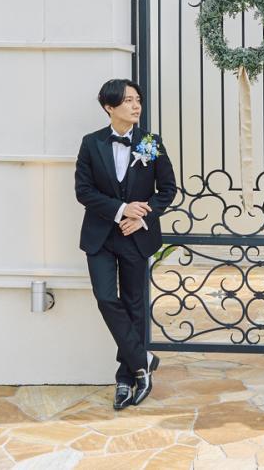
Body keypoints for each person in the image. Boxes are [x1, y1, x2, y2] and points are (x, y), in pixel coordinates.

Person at [74, 78, 177, 410]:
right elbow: (84, 192)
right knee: (106, 298)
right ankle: (143, 359)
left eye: (138, 100)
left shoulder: (150, 142)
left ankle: (126, 376)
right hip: (101, 237)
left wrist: (142, 215)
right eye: (129, 101)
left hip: (137, 236)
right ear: (109, 107)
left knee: (134, 306)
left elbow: (168, 189)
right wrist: (120, 210)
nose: (136, 106)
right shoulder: (92, 143)